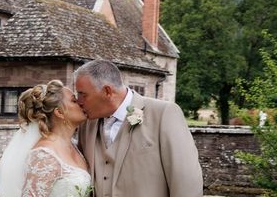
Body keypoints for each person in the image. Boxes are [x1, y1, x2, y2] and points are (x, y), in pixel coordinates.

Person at [74, 60, 203, 197]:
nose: (78, 101)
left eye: (83, 94)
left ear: (107, 91)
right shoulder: (86, 124)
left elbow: (186, 182)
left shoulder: (163, 114)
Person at [0, 79, 92, 197]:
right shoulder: (44, 155)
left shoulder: (75, 145)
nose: (80, 103)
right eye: (74, 101)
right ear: (59, 112)